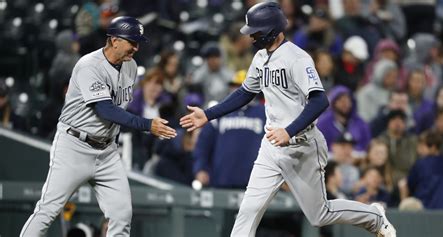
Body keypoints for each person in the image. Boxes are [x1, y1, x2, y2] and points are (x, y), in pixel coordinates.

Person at [180, 2, 396, 237]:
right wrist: (208, 114)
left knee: (319, 215)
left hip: (302, 145)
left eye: (256, 32)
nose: (251, 37)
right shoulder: (260, 57)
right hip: (272, 146)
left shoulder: (297, 58)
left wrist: (289, 131)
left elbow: (320, 101)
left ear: (272, 30)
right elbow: (245, 93)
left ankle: (374, 216)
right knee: (248, 211)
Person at [20, 16, 177, 237]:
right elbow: (106, 110)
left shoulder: (131, 66)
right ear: (114, 41)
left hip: (107, 151)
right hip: (74, 145)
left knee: (121, 215)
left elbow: (118, 111)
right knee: (48, 210)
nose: (136, 47)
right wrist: (146, 124)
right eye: (131, 41)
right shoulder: (89, 65)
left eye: (138, 41)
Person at [193, 70, 266, 189]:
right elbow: (203, 145)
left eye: (241, 87)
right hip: (221, 181)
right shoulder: (219, 112)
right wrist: (200, 168)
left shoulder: (264, 112)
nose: (237, 91)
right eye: (234, 86)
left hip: (256, 185)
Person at [400, 131, 443, 209]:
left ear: (433, 147)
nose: (418, 150)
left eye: (421, 146)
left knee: (402, 185)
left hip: (424, 212)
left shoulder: (421, 164)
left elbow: (409, 185)